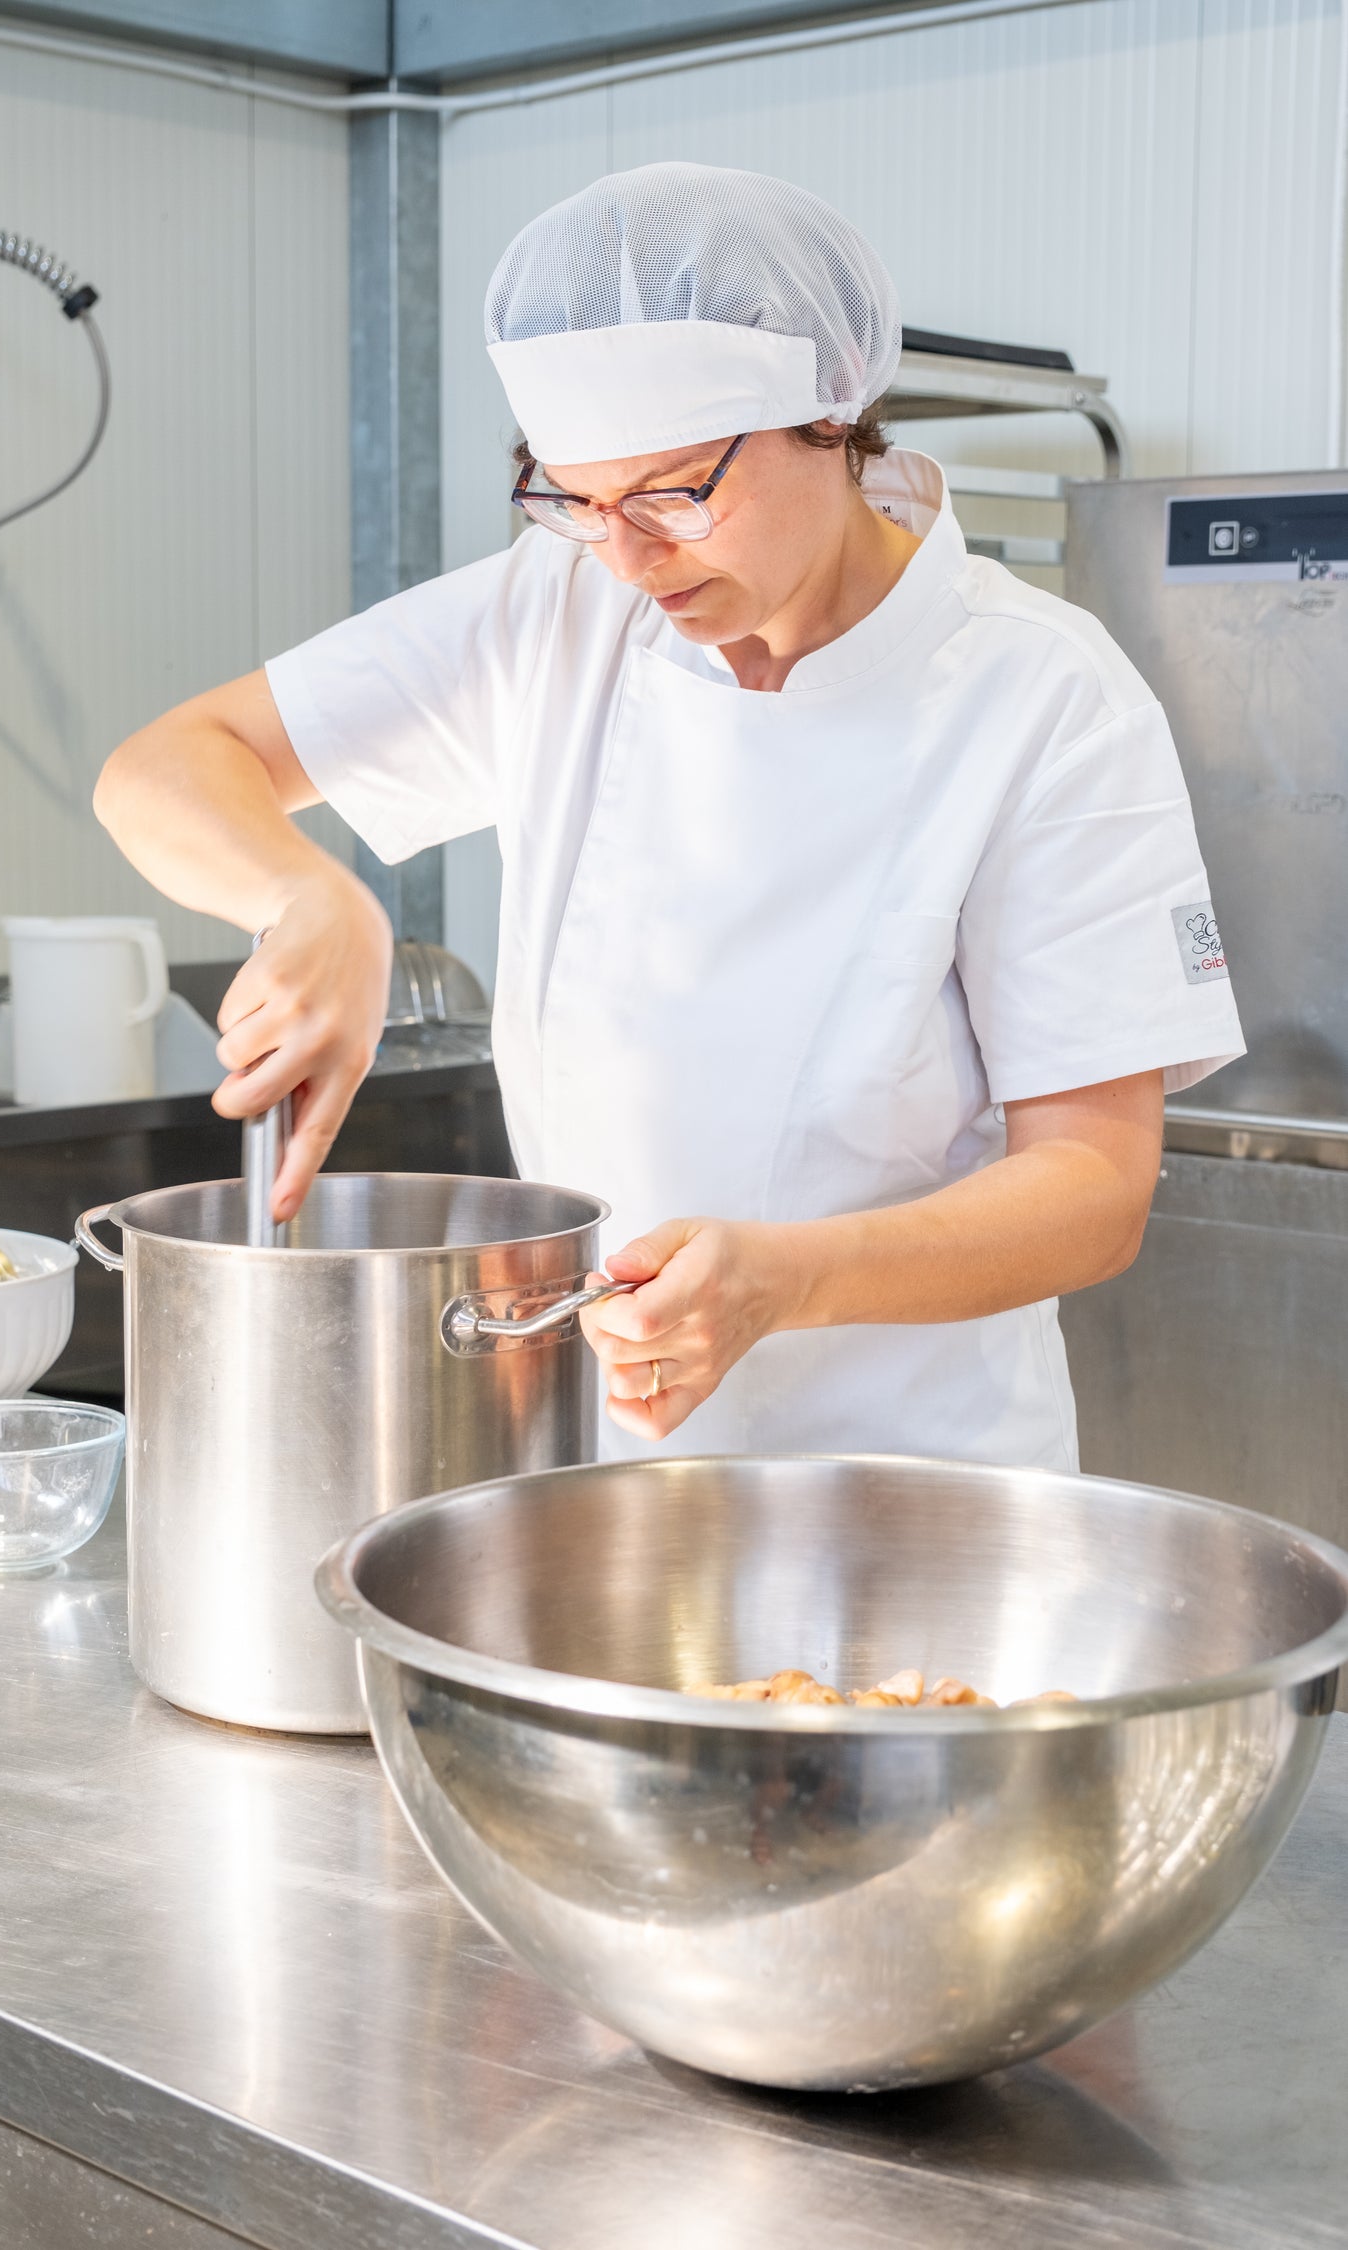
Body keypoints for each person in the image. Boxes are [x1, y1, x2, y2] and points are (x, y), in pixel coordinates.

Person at [94, 162, 1243, 1470]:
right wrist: (306, 896)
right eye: (575, 500)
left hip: (915, 1501)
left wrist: (780, 1281)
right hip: (596, 1488)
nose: (631, 560)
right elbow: (167, 763)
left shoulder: (1042, 696)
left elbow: (1091, 1191)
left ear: (832, 415)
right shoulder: (561, 608)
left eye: (672, 492)